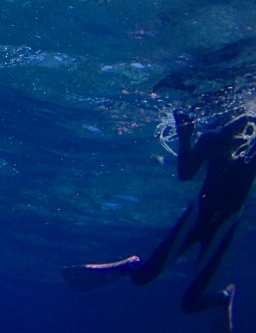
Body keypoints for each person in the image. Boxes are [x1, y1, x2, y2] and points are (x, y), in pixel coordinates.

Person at [61, 108, 255, 331]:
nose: (238, 123)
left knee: (190, 303)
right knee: (143, 277)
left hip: (225, 224)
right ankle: (129, 266)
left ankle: (222, 298)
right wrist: (185, 135)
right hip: (197, 216)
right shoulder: (212, 140)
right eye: (236, 118)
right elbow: (186, 174)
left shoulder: (250, 150)